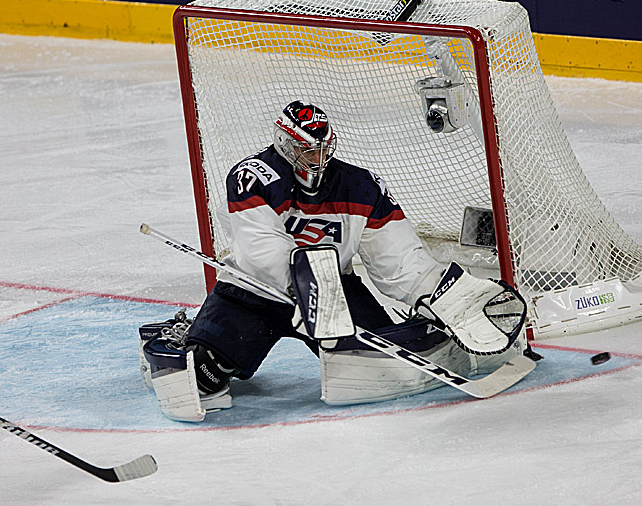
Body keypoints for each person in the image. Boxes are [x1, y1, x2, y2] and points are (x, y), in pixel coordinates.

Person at [139, 101, 525, 421]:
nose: (318, 157)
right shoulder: (253, 177)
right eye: (307, 149)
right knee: (204, 377)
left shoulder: (361, 186)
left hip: (337, 288)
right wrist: (307, 288)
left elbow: (398, 259)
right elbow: (261, 251)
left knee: (384, 362)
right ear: (286, 144)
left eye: (324, 148)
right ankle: (171, 340)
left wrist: (437, 294)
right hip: (255, 292)